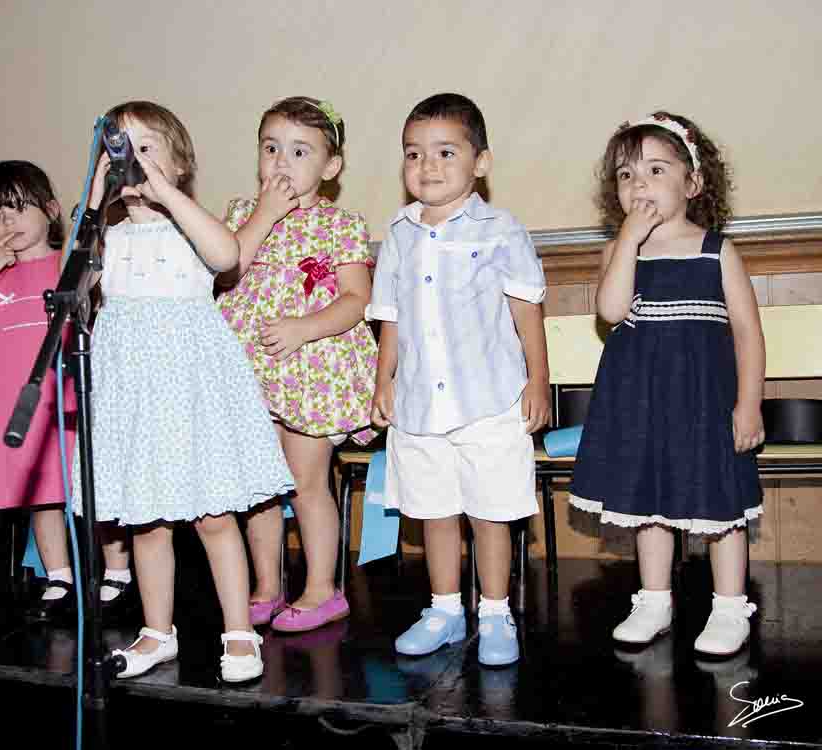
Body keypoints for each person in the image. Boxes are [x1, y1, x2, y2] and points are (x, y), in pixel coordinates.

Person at [75, 100, 293, 681]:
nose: (133, 161)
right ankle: (156, 631)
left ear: (179, 164)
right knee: (145, 522)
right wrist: (96, 200)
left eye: (146, 148)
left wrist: (167, 196)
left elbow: (226, 257)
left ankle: (240, 632)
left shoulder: (189, 224)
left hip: (193, 390)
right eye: (118, 149)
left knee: (214, 516)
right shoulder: (109, 238)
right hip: (134, 395)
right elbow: (68, 280)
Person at [570, 111, 765, 658]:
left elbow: (749, 333)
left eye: (656, 170)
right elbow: (610, 311)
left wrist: (748, 404)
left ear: (693, 182)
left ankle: (730, 607)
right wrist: (628, 241)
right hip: (641, 404)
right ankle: (654, 599)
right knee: (648, 504)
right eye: (627, 175)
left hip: (704, 404)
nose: (640, 185)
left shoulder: (715, 250)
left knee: (719, 506)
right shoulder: (619, 252)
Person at [369, 93, 550, 666]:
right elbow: (390, 317)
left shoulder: (501, 230)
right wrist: (384, 379)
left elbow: (527, 310)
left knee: (489, 511)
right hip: (420, 405)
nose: (428, 166)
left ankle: (495, 612)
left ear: (481, 162)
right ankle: (444, 609)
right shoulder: (398, 233)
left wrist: (538, 380)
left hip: (489, 401)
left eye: (446, 152)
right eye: (414, 154)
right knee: (434, 511)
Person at [216, 96, 378, 632]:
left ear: (330, 168)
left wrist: (303, 328)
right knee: (259, 485)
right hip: (250, 368)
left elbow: (356, 299)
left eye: (299, 150)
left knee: (307, 480)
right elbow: (226, 269)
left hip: (313, 366)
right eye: (271, 148)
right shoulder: (242, 214)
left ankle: (321, 589)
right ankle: (265, 586)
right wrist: (265, 214)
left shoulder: (341, 224)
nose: (281, 162)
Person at [0, 161, 82, 620]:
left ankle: (113, 570)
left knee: (84, 486)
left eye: (17, 208)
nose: (6, 221)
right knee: (43, 495)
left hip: (70, 397)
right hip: (22, 405)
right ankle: (58, 574)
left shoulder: (67, 261)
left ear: (51, 211)